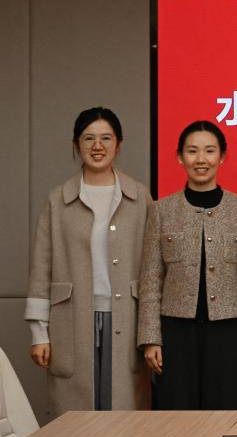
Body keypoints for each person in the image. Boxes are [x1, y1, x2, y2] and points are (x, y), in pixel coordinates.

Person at [24, 107, 152, 418]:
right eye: (88, 138)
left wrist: (153, 334)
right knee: (75, 415)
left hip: (127, 319)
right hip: (72, 320)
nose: (97, 146)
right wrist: (39, 334)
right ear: (76, 144)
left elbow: (154, 268)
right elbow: (41, 267)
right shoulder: (58, 199)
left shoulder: (140, 197)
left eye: (106, 138)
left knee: (125, 411)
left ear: (118, 144)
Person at [138, 120, 237, 410]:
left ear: (222, 156)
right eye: (192, 151)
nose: (201, 159)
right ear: (180, 156)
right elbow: (151, 279)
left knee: (225, 412)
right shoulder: (161, 210)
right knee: (176, 412)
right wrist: (151, 338)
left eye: (209, 151)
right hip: (175, 330)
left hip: (229, 329)